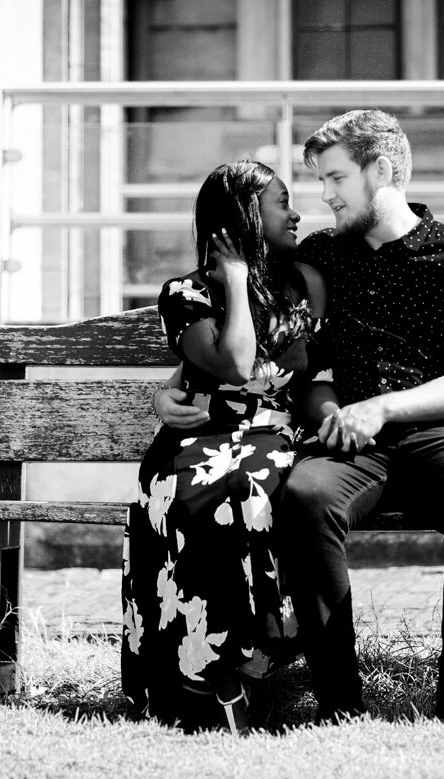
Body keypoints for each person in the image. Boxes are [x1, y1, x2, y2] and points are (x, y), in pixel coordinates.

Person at [157, 109, 444, 724]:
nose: (324, 196)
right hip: (350, 446)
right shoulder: (322, 258)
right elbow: (268, 343)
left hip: (443, 437)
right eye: (319, 181)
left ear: (382, 170)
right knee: (305, 496)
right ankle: (341, 706)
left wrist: (382, 407)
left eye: (337, 179)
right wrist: (176, 383)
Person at [121, 160, 327, 735]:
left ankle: (248, 663)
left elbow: (311, 376)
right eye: (282, 203)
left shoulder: (305, 282)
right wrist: (235, 279)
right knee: (184, 494)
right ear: (244, 216)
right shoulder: (185, 293)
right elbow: (236, 362)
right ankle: (192, 682)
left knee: (246, 489)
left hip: (272, 433)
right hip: (196, 436)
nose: (296, 213)